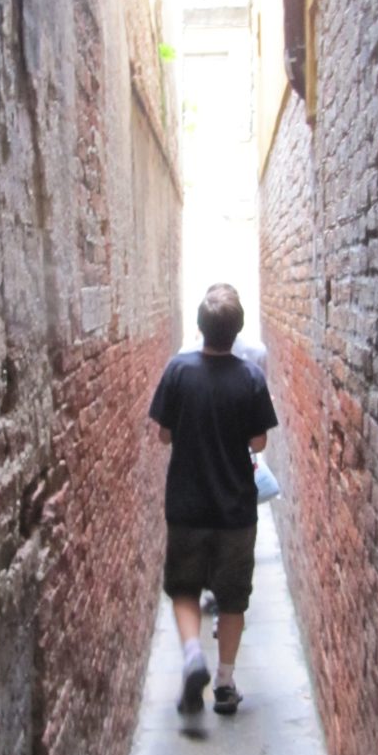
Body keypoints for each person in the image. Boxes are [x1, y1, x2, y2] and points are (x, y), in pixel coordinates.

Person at [149, 283, 278, 715]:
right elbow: (258, 442)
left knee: (185, 589)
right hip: (235, 510)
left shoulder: (178, 371)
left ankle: (191, 656)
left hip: (186, 504)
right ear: (236, 329)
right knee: (232, 599)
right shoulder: (251, 378)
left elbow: (164, 433)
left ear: (200, 327)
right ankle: (224, 683)